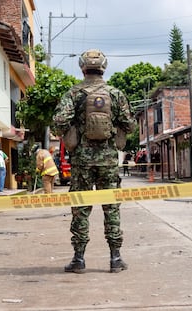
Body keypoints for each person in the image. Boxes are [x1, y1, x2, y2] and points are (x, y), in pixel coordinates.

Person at [53, 49, 136, 273]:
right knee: (112, 209)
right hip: (108, 160)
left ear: (82, 68)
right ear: (104, 67)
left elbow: (59, 121)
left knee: (80, 209)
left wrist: (73, 133)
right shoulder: (115, 93)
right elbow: (130, 125)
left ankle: (79, 260)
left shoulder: (73, 93)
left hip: (81, 162)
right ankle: (116, 258)